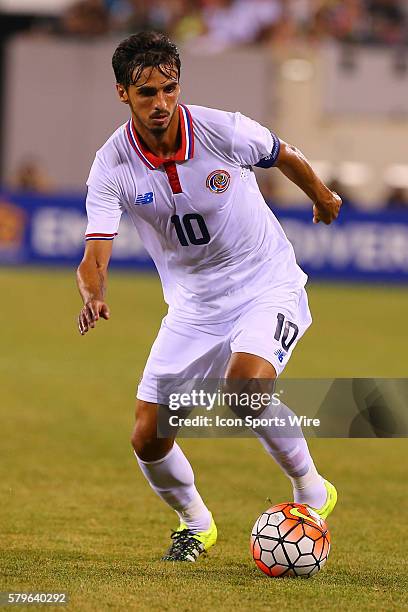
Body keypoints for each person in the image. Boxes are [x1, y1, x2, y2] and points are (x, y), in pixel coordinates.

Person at [76, 31, 341, 562]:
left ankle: (312, 489)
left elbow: (281, 153)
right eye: (146, 92)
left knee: (245, 386)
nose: (160, 103)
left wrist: (323, 195)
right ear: (122, 93)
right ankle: (195, 523)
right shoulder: (112, 165)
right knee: (147, 436)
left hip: (265, 283)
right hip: (193, 309)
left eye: (169, 89)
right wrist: (94, 293)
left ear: (179, 86)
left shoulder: (221, 129)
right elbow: (94, 252)